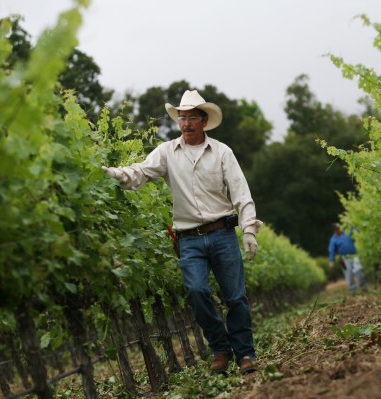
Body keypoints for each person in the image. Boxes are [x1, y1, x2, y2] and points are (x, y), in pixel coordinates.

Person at [101, 90, 262, 375]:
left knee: (235, 297)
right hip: (189, 239)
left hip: (222, 233)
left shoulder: (223, 153)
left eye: (191, 118)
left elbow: (241, 193)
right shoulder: (166, 153)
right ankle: (220, 348)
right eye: (182, 118)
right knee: (197, 292)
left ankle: (245, 353)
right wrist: (112, 173)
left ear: (203, 121)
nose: (186, 123)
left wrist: (249, 228)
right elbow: (140, 173)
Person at [328, 223, 367, 293]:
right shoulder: (333, 239)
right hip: (343, 259)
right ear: (334, 231)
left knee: (359, 271)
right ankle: (353, 290)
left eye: (338, 228)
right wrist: (331, 260)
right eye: (336, 230)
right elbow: (331, 250)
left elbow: (357, 231)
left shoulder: (348, 232)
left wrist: (351, 224)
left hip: (354, 256)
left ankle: (363, 286)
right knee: (348, 274)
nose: (338, 231)